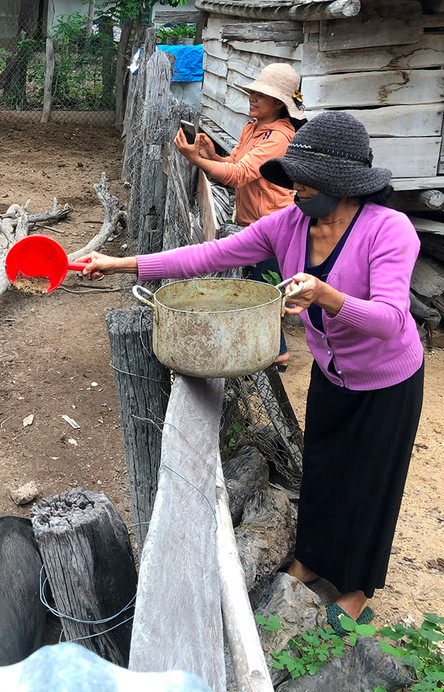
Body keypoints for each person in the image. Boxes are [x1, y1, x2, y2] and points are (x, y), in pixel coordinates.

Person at [80, 111, 424, 634]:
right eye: (294, 177)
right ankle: (309, 557)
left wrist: (327, 297)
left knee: (369, 483)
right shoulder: (289, 223)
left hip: (387, 383)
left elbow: (393, 321)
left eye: (306, 179)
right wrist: (119, 264)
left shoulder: (389, 230)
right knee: (325, 467)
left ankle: (355, 588)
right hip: (334, 374)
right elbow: (209, 255)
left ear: (344, 185)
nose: (294, 188)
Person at [174, 62, 306, 370]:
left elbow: (238, 176)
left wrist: (195, 159)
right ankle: (274, 349)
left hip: (275, 224)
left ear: (280, 103)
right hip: (257, 223)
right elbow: (232, 163)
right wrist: (209, 153)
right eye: (253, 92)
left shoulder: (277, 137)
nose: (253, 97)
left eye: (262, 94)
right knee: (263, 288)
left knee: (265, 289)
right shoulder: (253, 128)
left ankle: (278, 353)